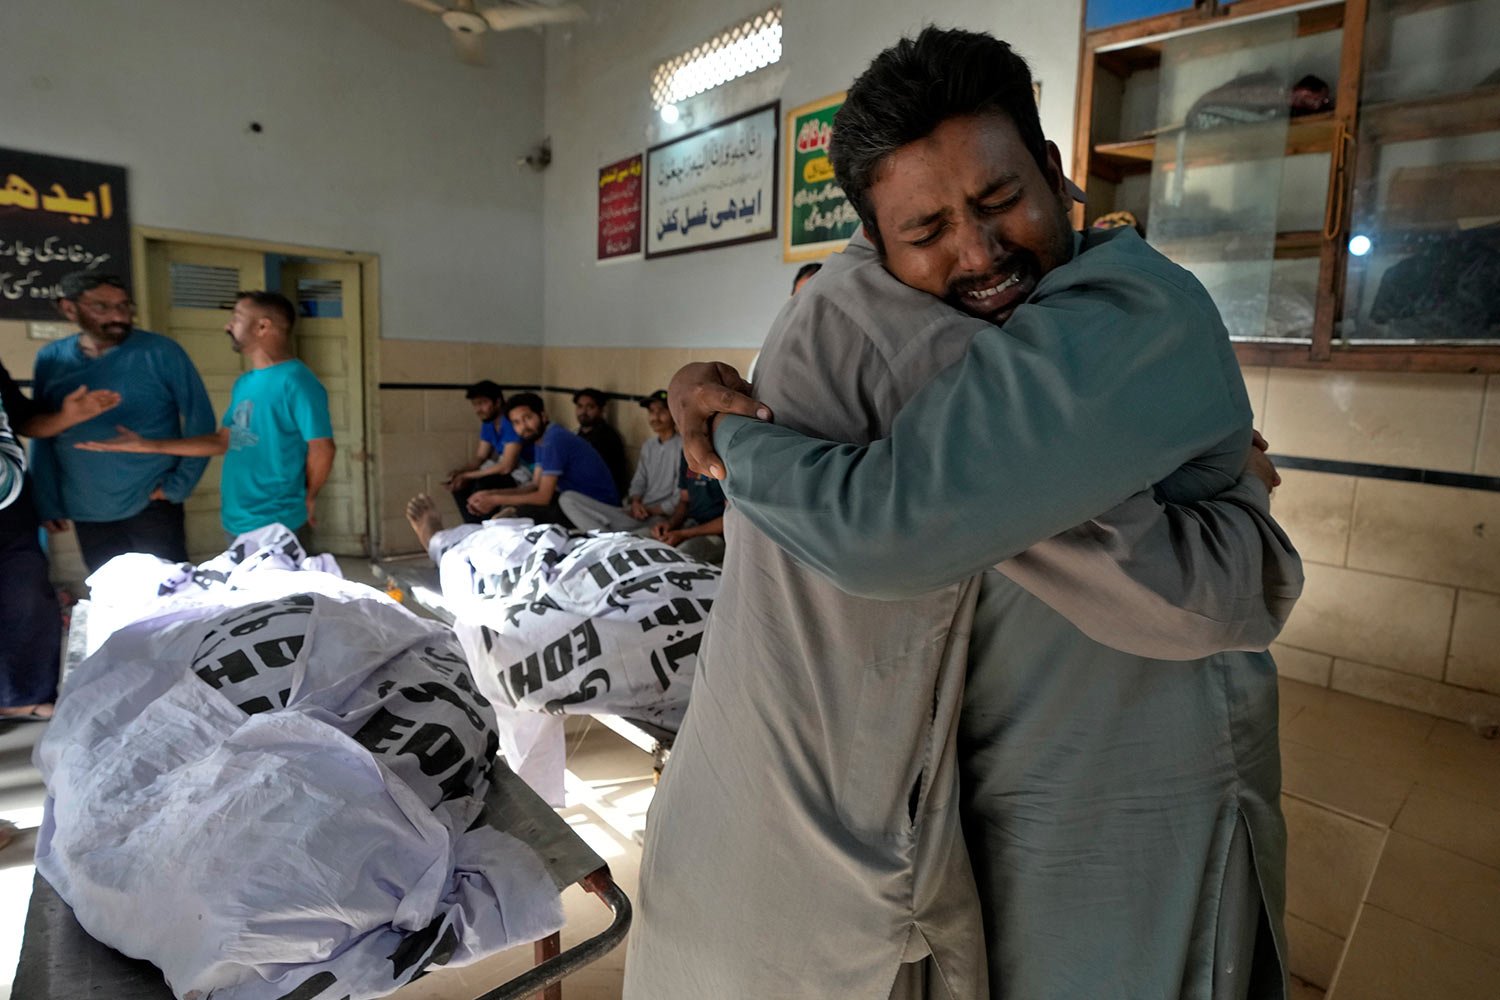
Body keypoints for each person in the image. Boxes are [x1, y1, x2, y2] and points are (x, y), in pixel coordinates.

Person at [630, 28, 1297, 1000]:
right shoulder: (913, 330)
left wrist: (723, 435)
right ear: (871, 236)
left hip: (1152, 779)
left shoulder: (1120, 310)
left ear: (1056, 170)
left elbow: (897, 527)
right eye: (928, 230)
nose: (980, 251)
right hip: (1015, 793)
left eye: (999, 201)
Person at [79, 291, 335, 546]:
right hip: (237, 517)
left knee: (281, 587)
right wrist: (145, 445)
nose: (228, 326)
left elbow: (322, 448)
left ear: (262, 326)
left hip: (278, 521)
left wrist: (309, 497)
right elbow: (223, 441)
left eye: (236, 318)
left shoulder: (297, 381)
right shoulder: (245, 382)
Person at [30, 272, 216, 572]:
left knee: (172, 597)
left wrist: (178, 486)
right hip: (85, 506)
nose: (118, 315)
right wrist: (46, 499)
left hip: (151, 503)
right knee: (112, 596)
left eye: (124, 305)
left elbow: (202, 421)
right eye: (101, 307)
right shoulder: (51, 359)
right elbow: (41, 430)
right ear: (68, 308)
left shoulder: (161, 351)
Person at [0, 361, 118, 723]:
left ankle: (22, 696)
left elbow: (24, 420)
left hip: (9, 504)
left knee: (27, 596)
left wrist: (68, 416)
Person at [463, 393, 618, 526]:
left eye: (527, 418)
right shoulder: (539, 439)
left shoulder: (554, 439)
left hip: (599, 510)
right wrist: (489, 495)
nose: (523, 426)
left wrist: (495, 500)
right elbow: (535, 484)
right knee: (512, 508)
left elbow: (543, 497)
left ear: (543, 416)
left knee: (521, 515)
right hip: (575, 503)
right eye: (516, 423)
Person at [558, 389, 681, 533]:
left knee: (639, 537)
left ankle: (607, 538)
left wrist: (650, 510)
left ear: (674, 414)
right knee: (567, 499)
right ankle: (607, 537)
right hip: (633, 513)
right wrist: (635, 503)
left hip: (660, 518)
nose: (655, 417)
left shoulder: (683, 447)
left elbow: (682, 497)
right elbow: (638, 481)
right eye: (651, 411)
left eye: (662, 411)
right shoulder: (649, 445)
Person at [445, 380, 536, 523]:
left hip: (526, 473)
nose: (478, 409)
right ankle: (474, 530)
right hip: (507, 469)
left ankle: (487, 530)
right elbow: (480, 456)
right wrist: (460, 473)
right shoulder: (489, 423)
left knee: (484, 485)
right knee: (460, 485)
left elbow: (507, 466)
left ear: (498, 402)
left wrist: (468, 475)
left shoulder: (511, 421)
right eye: (475, 404)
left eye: (482, 403)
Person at [648, 453, 726, 564]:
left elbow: (729, 520)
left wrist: (683, 534)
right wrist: (670, 524)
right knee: (640, 544)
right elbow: (684, 501)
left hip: (717, 535)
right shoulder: (688, 450)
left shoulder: (723, 452)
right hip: (689, 524)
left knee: (672, 559)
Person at [572, 387, 630, 496]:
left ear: (601, 410)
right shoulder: (578, 434)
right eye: (580, 406)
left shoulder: (607, 437)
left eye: (590, 407)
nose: (583, 412)